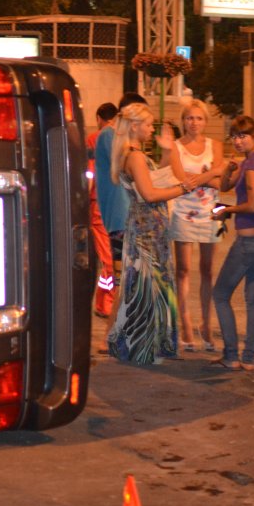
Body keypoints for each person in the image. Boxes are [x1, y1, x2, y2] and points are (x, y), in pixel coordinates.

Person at [107, 102, 189, 365]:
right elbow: (151, 194)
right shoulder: (135, 156)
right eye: (149, 124)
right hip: (148, 227)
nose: (151, 129)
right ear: (134, 126)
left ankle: (143, 344)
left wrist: (166, 153)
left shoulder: (133, 154)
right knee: (149, 284)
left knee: (146, 283)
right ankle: (142, 345)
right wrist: (183, 188)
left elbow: (156, 181)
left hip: (146, 225)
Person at [207, 115, 254, 371]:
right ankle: (248, 359)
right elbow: (224, 186)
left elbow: (253, 205)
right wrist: (228, 170)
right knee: (253, 300)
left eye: (243, 135)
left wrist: (227, 211)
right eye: (234, 136)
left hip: (248, 241)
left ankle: (231, 355)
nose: (238, 140)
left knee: (220, 294)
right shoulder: (251, 161)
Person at [167, 99, 223, 352]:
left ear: (206, 121)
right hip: (183, 212)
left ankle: (206, 324)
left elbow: (220, 182)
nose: (194, 123)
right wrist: (208, 175)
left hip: (209, 213)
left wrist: (203, 178)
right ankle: (185, 324)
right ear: (183, 121)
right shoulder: (175, 147)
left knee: (208, 270)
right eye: (190, 118)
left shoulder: (216, 145)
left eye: (199, 118)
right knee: (183, 270)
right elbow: (181, 180)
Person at [93, 92, 147, 326]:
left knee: (127, 276)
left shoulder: (119, 137)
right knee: (121, 276)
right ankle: (112, 332)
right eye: (144, 120)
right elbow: (134, 172)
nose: (149, 126)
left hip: (124, 214)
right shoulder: (110, 135)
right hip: (118, 214)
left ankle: (120, 330)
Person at [86, 102, 119, 318]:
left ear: (99, 118)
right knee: (111, 257)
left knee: (107, 258)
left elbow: (89, 174)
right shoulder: (120, 138)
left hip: (98, 205)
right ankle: (106, 301)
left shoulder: (93, 139)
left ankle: (106, 303)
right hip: (115, 205)